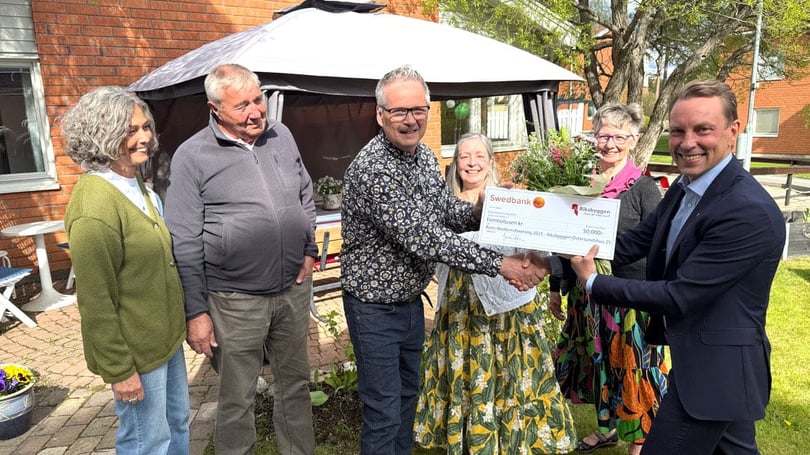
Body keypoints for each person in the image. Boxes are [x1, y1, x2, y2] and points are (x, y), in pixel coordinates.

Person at [340, 65, 549, 455]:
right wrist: (502, 265)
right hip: (374, 310)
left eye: (418, 109)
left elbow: (444, 211)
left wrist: (484, 210)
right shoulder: (373, 170)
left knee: (406, 398)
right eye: (399, 111)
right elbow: (426, 238)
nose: (410, 120)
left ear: (428, 109)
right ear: (380, 115)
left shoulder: (422, 155)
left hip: (408, 304)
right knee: (383, 411)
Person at [567, 79, 785, 454]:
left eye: (703, 129)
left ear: (733, 131)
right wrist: (555, 251)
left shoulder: (746, 210)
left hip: (716, 372)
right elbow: (635, 242)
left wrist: (592, 283)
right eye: (678, 131)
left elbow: (680, 295)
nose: (687, 143)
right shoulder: (687, 186)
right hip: (707, 365)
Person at [164, 63, 316, 455]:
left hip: (292, 289)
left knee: (295, 385)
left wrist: (309, 250)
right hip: (234, 300)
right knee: (238, 396)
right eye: (241, 106)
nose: (255, 112)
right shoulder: (193, 155)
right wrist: (196, 312)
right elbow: (184, 240)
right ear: (214, 109)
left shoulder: (281, 135)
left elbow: (305, 194)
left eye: (257, 100)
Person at [413, 133, 578, 454]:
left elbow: (534, 243)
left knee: (511, 376)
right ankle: (472, 439)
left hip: (508, 307)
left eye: (479, 156)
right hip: (461, 306)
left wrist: (538, 261)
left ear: (490, 161)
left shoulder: (508, 199)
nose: (471, 163)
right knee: (469, 375)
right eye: (464, 156)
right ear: (455, 163)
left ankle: (514, 440)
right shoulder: (443, 204)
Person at [62, 86, 189, 454]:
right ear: (102, 135)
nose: (145, 137)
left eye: (145, 126)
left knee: (177, 426)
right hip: (136, 353)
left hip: (164, 342)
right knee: (147, 442)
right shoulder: (95, 206)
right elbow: (96, 301)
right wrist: (120, 370)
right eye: (131, 130)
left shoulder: (134, 184)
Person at [549, 103, 667, 455]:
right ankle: (607, 429)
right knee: (599, 366)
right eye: (603, 135)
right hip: (587, 296)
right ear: (594, 138)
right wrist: (556, 287)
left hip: (629, 298)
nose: (610, 143)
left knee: (633, 368)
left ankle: (640, 441)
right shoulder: (581, 184)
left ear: (633, 140)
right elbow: (562, 238)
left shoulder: (643, 188)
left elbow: (657, 246)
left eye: (619, 136)